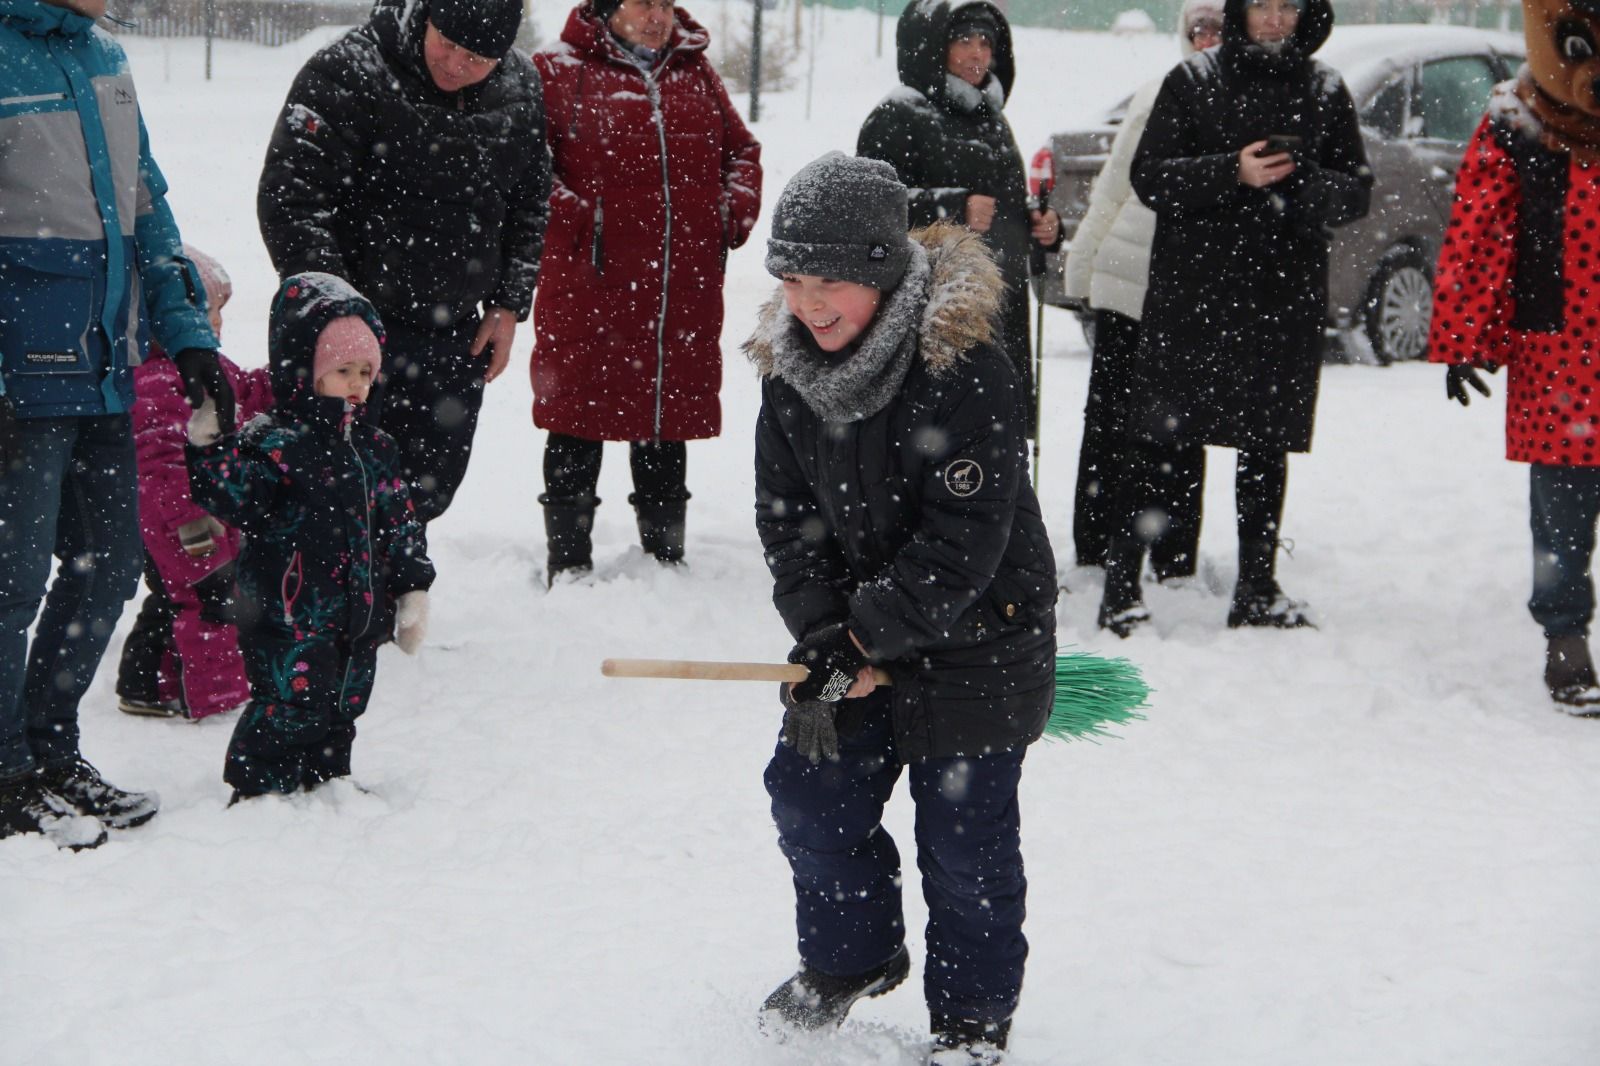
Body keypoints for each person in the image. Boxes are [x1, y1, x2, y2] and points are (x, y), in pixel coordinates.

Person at [747, 153, 1057, 1065]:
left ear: (882, 270)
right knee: (810, 800)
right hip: (849, 636)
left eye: (832, 280)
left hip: (980, 640)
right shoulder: (789, 378)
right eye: (793, 279)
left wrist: (867, 635)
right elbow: (787, 525)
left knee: (966, 852)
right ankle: (853, 960)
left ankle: (970, 1026)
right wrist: (828, 639)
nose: (810, 303)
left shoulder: (969, 372)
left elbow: (967, 536)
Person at [0, 0, 234, 849]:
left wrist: (189, 336)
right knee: (9, 583)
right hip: (20, 379)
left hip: (107, 365)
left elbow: (146, 207)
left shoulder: (103, 56)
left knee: (108, 566)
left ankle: (50, 752)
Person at [1096, 0, 1372, 636]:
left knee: (1267, 446)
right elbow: (1150, 176)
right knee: (1156, 446)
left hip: (1282, 298)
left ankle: (1256, 588)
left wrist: (1302, 179)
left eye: (1287, 7)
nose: (1274, 20)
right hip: (1194, 295)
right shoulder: (1193, 80)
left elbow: (1356, 190)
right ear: (1240, 11)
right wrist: (1232, 170)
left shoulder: (1325, 86)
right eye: (1262, 7)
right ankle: (1120, 589)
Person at [257, 0, 550, 525]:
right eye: (448, 42)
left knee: (418, 499)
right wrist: (339, 314)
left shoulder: (521, 87)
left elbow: (529, 202)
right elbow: (291, 199)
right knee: (329, 498)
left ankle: (388, 599)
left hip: (454, 336)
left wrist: (508, 303)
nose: (457, 64)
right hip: (354, 337)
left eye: (478, 57)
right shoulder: (349, 70)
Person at [530, 0, 761, 581]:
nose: (657, 15)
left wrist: (727, 214)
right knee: (576, 415)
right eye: (641, 3)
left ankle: (664, 561)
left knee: (664, 414)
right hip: (589, 284)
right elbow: (529, 164)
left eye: (664, 2)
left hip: (678, 287)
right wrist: (579, 225)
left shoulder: (695, 71)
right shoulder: (556, 70)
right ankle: (568, 563)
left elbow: (743, 153)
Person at [187, 274, 435, 801]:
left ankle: (328, 784)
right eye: (342, 371)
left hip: (359, 613)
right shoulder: (272, 442)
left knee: (344, 702)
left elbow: (400, 522)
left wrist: (413, 587)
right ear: (306, 371)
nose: (356, 384)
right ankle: (260, 789)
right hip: (288, 615)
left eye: (365, 372)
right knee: (288, 703)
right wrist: (211, 448)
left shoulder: (376, 447)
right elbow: (237, 500)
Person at [1427, 1, 1600, 713]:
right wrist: (1464, 337)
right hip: (1557, 348)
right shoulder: (1520, 120)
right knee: (1563, 505)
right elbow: (1480, 230)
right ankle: (1566, 634)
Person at [1063, 0, 1223, 578]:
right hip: (1129, 276)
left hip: (1190, 288)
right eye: (1198, 28)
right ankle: (1097, 546)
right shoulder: (1166, 88)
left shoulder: (1243, 99)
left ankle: (1173, 553)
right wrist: (1082, 264)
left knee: (1183, 427)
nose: (1208, 39)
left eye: (1220, 29)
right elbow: (1115, 182)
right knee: (1112, 419)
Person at [857, 0, 1062, 436]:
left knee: (996, 439)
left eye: (986, 42)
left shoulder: (992, 118)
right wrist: (950, 207)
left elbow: (1000, 208)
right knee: (936, 444)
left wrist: (1037, 223)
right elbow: (867, 206)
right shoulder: (899, 114)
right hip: (929, 313)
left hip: (998, 310)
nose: (977, 54)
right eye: (963, 40)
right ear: (930, 46)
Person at [116, 247, 275, 720]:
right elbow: (159, 466)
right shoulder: (156, 382)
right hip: (181, 521)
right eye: (209, 313)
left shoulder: (204, 368)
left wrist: (290, 376)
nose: (218, 325)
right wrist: (189, 519)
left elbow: (246, 392)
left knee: (177, 596)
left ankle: (149, 682)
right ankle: (212, 697)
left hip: (207, 509)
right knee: (205, 599)